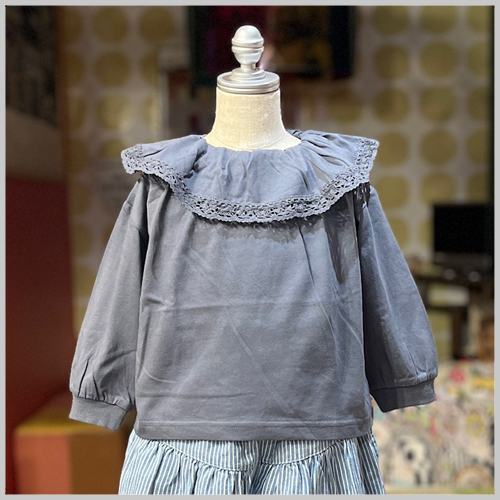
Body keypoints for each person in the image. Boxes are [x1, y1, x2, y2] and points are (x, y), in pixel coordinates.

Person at [69, 26, 438, 495]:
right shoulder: (163, 182)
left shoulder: (340, 181)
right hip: (205, 441)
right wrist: (101, 392)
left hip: (297, 440)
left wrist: (404, 379)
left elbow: (384, 291)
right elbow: (120, 296)